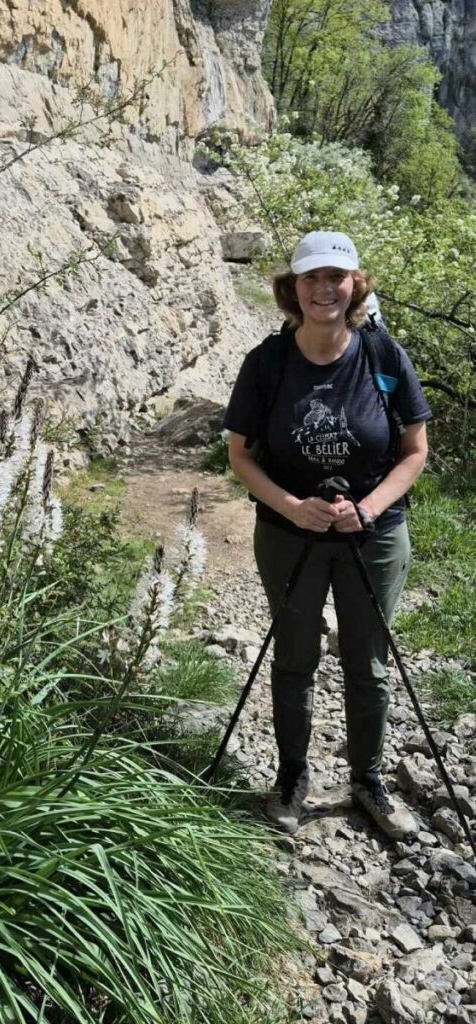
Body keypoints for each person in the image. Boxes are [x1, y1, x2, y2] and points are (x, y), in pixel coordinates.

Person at [222, 230, 432, 841]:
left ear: (354, 284)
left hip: (375, 534)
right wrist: (292, 506)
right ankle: (292, 779)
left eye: (336, 277)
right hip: (290, 536)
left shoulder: (383, 355)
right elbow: (240, 457)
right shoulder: (266, 363)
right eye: (312, 277)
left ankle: (368, 780)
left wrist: (366, 509)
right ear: (293, 289)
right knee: (294, 657)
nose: (325, 288)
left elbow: (414, 452)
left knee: (368, 663)